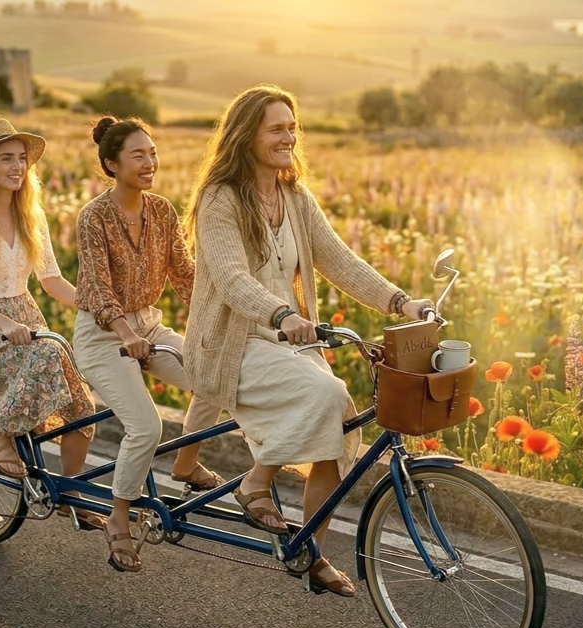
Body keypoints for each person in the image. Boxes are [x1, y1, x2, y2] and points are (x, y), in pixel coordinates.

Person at [181, 85, 433, 596]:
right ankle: (256, 482)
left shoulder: (295, 196)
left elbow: (339, 260)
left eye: (293, 127)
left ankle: (312, 555)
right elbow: (230, 278)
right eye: (277, 128)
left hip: (290, 342)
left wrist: (400, 301)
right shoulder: (219, 198)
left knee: (336, 427)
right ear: (245, 135)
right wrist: (279, 311)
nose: (288, 137)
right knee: (328, 395)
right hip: (234, 345)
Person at [0, 118, 104, 531]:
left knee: (83, 406)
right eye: (6, 158)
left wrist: (101, 306)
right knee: (48, 350)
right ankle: (0, 434)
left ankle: (70, 493)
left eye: (22, 159)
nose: (17, 167)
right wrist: (4, 324)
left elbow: (51, 281)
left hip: (26, 321)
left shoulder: (32, 215)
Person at [73, 116, 224, 573]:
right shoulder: (94, 217)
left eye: (152, 153)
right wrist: (126, 333)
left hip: (149, 329)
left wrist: (225, 317)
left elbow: (185, 275)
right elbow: (98, 288)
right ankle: (119, 519)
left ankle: (186, 464)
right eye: (138, 155)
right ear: (111, 164)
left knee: (213, 374)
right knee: (145, 426)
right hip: (102, 336)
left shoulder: (161, 211)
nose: (149, 162)